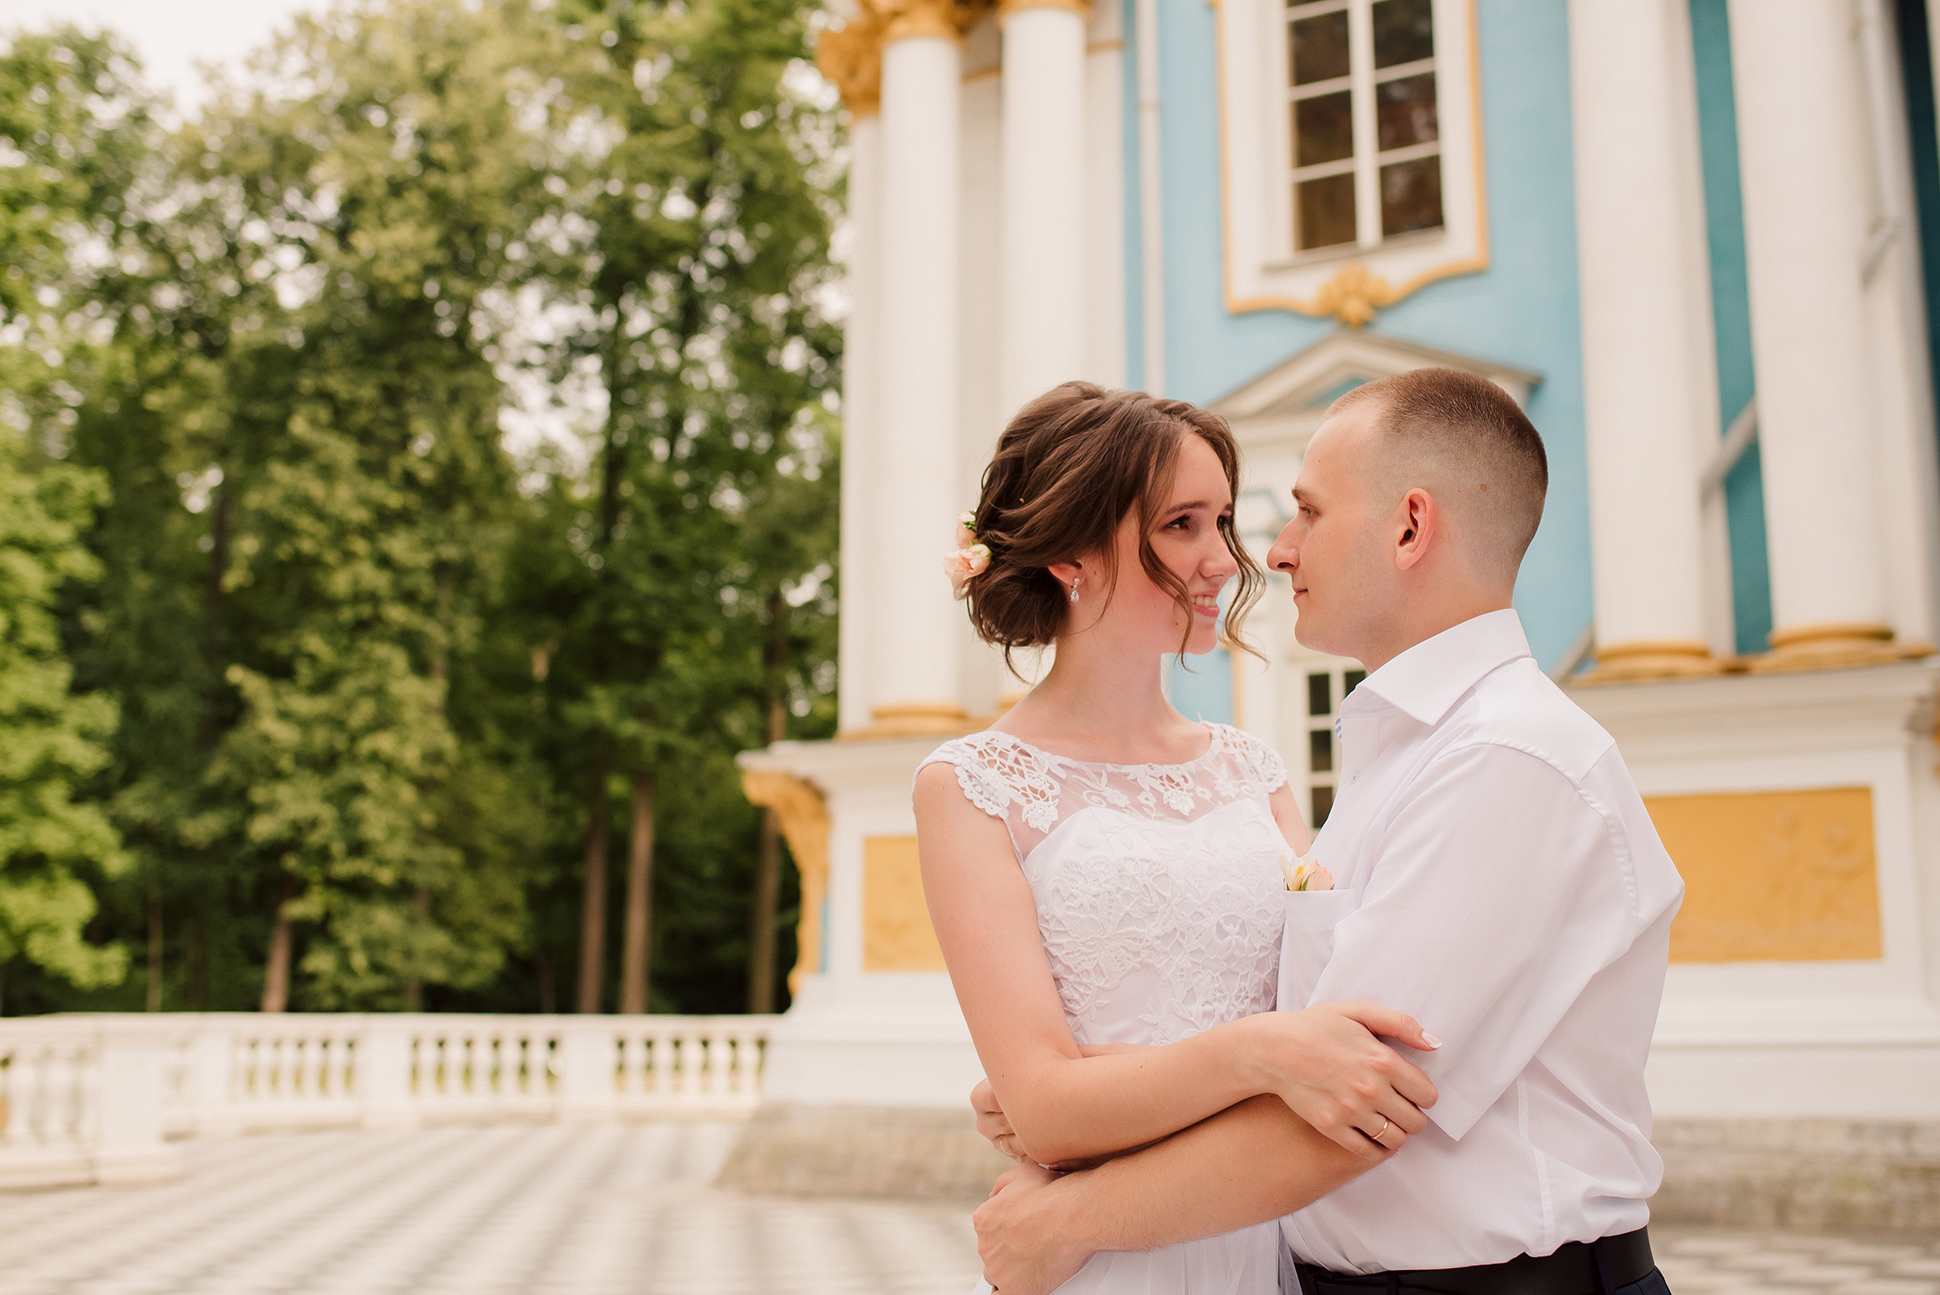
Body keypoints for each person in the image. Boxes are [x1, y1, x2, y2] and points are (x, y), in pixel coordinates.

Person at [965, 368, 1684, 1295]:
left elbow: (1351, 1105)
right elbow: (1298, 1044)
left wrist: (1065, 1215)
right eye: (1190, 523)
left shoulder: (1509, 755)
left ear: (1410, 526)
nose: (1271, 551)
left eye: (1304, 511)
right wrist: (1080, 1105)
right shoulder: (1401, 750)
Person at [914, 382, 1443, 1295]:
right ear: (1075, 550)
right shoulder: (971, 787)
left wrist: (1099, 1089)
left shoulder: (1252, 769)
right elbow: (1046, 1108)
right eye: (1180, 525)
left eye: (1224, 521)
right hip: (1104, 1262)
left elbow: (1337, 1013)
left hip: (1269, 1233)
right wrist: (1261, 1052)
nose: (1223, 560)